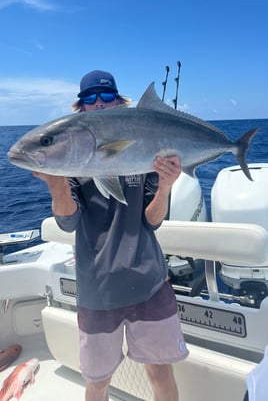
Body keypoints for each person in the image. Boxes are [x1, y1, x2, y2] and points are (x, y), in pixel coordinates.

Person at [34, 70, 189, 401]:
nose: (99, 103)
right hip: (98, 289)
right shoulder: (71, 162)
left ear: (120, 102)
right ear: (81, 108)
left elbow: (154, 221)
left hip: (150, 283)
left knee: (161, 373)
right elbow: (68, 224)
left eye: (106, 97)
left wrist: (165, 186)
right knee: (97, 381)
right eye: (90, 99)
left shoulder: (146, 153)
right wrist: (56, 182)